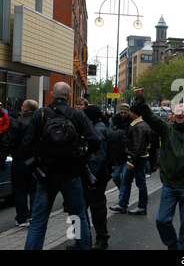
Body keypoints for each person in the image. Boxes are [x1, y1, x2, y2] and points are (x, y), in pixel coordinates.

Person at [22, 82, 101, 250]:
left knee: (38, 220)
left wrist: (34, 168)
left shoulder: (40, 114)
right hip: (72, 173)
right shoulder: (77, 115)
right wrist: (87, 154)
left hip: (45, 174)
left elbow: (26, 145)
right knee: (78, 217)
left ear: (52, 94)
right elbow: (96, 140)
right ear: (70, 96)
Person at [133, 88, 184, 250]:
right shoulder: (166, 129)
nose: (179, 114)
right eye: (177, 112)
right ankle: (174, 246)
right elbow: (150, 117)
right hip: (169, 185)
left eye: (183, 112)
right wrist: (141, 100)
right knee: (162, 221)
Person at [0, 99, 39, 227]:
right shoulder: (41, 124)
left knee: (19, 190)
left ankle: (22, 218)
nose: (21, 108)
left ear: (26, 110)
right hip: (36, 162)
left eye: (22, 106)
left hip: (20, 161)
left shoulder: (17, 123)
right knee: (34, 190)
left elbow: (7, 142)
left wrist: (2, 159)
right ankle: (34, 216)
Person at [110, 105, 151, 215]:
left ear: (135, 113)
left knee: (139, 183)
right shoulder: (139, 124)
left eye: (130, 112)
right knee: (127, 181)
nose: (129, 113)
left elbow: (137, 147)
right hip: (135, 158)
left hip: (136, 159)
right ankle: (123, 204)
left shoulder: (139, 126)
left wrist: (131, 162)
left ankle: (141, 206)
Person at [83, 105, 111, 250]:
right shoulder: (98, 127)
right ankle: (84, 240)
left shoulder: (97, 129)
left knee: (96, 208)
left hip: (95, 177)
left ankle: (101, 239)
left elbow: (98, 158)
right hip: (94, 175)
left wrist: (90, 179)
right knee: (87, 207)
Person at [109, 103, 132, 198]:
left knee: (125, 177)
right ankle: (122, 191)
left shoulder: (131, 122)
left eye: (125, 113)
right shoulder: (114, 120)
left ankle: (122, 197)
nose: (123, 114)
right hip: (117, 152)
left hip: (127, 153)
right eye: (121, 112)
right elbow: (109, 133)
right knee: (115, 176)